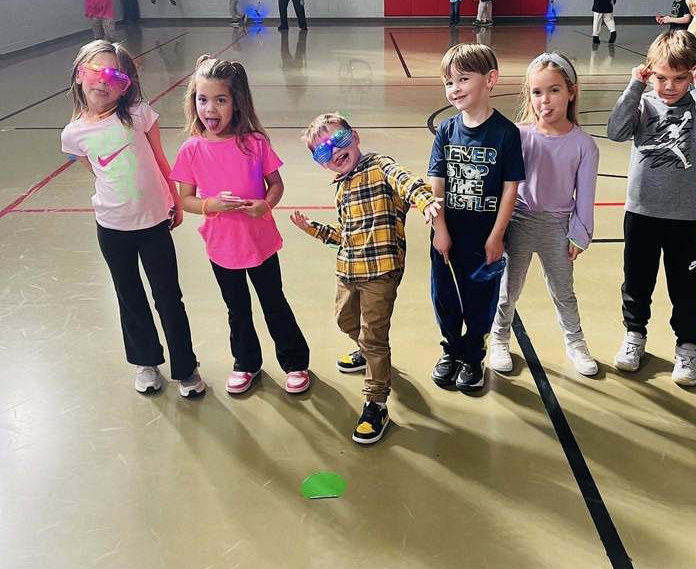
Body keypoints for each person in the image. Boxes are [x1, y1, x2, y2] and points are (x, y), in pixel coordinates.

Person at [60, 40, 205, 398]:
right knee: (129, 295)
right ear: (80, 75)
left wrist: (175, 199)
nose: (103, 82)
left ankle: (185, 368)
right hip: (112, 228)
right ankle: (145, 362)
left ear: (126, 85)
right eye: (96, 72)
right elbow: (96, 172)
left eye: (115, 76)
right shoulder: (74, 134)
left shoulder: (138, 113)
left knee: (169, 297)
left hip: (153, 223)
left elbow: (159, 158)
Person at [290, 113, 441, 445]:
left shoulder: (379, 166)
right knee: (345, 320)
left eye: (339, 141)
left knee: (374, 336)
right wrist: (312, 230)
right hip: (348, 269)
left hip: (380, 272)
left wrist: (424, 200)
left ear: (354, 136)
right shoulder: (341, 188)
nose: (334, 153)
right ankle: (368, 354)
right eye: (322, 152)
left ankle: (376, 402)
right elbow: (344, 236)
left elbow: (406, 180)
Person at [171, 56, 311, 396]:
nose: (210, 109)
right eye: (203, 100)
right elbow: (185, 199)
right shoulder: (191, 149)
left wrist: (266, 204)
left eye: (221, 100)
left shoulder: (254, 143)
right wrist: (210, 205)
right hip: (221, 246)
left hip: (259, 242)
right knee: (237, 308)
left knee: (273, 302)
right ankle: (246, 363)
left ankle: (295, 362)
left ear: (237, 102)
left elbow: (275, 185)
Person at [607, 30, 696, 387]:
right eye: (661, 78)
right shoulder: (645, 103)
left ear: (693, 74)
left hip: (683, 218)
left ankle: (688, 346)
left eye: (680, 79)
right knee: (636, 281)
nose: (669, 87)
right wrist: (635, 87)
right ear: (649, 72)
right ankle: (634, 336)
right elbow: (615, 130)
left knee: (685, 287)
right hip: (641, 212)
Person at [489, 53, 599, 377]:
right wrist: (497, 228)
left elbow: (586, 197)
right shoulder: (518, 135)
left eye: (553, 90)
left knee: (564, 291)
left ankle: (575, 343)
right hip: (519, 222)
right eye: (537, 92)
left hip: (557, 228)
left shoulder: (585, 145)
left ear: (571, 91)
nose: (545, 100)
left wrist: (580, 234)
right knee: (508, 289)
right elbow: (504, 186)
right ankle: (498, 339)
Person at [428, 43, 525, 390]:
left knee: (480, 300)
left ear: (491, 79)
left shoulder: (506, 134)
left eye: (462, 79)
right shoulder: (446, 131)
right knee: (445, 297)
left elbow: (511, 189)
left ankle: (472, 356)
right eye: (448, 83)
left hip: (485, 236)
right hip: (448, 234)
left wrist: (497, 235)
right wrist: (440, 229)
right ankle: (451, 349)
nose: (454, 89)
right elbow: (435, 183)